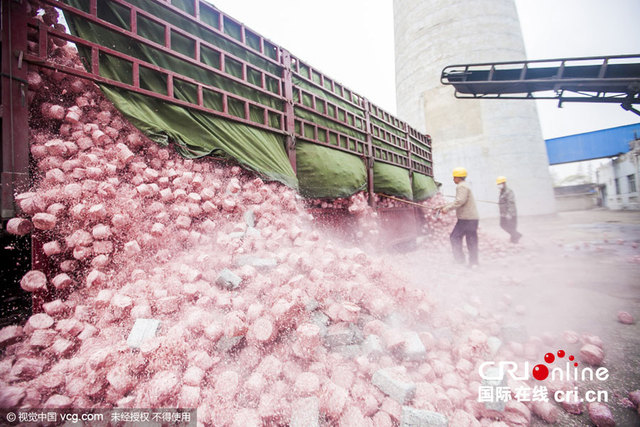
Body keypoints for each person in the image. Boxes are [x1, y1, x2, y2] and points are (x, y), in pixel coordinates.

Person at [440, 167, 479, 267]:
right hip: (469, 218)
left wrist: (447, 209)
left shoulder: (461, 186)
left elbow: (459, 201)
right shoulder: (465, 185)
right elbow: (459, 200)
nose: (453, 179)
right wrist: (443, 206)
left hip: (467, 219)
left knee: (456, 237)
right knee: (469, 239)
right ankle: (471, 262)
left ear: (458, 177)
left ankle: (462, 260)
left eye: (454, 177)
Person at [496, 176, 522, 243]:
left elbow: (511, 203)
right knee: (502, 225)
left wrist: (509, 214)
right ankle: (516, 235)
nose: (499, 185)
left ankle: (515, 240)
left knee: (512, 227)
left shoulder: (509, 191)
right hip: (504, 214)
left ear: (504, 183)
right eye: (498, 184)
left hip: (510, 214)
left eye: (500, 184)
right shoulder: (502, 192)